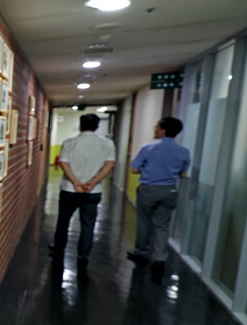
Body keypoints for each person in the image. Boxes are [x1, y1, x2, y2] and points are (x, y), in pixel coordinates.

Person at [49, 113, 116, 267]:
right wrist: (93, 182)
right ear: (97, 127)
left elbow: (64, 163)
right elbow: (109, 165)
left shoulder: (69, 142)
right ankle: (83, 255)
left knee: (63, 221)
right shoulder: (107, 144)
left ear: (80, 125)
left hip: (69, 189)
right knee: (88, 224)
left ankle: (59, 249)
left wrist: (76, 181)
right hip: (92, 191)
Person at [127, 117, 191, 276]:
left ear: (163, 129)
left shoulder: (148, 148)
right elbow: (183, 175)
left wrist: (149, 170)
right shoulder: (183, 151)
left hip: (149, 189)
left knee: (144, 222)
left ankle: (141, 252)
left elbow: (134, 170)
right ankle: (159, 259)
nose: (155, 130)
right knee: (162, 225)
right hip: (170, 190)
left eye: (157, 127)